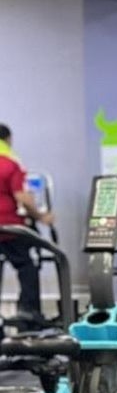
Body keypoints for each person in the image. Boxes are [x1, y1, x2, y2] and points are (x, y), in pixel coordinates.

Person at [0, 123, 55, 325]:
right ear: (7, 139)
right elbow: (23, 198)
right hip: (8, 228)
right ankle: (28, 311)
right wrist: (42, 217)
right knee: (26, 266)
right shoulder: (10, 164)